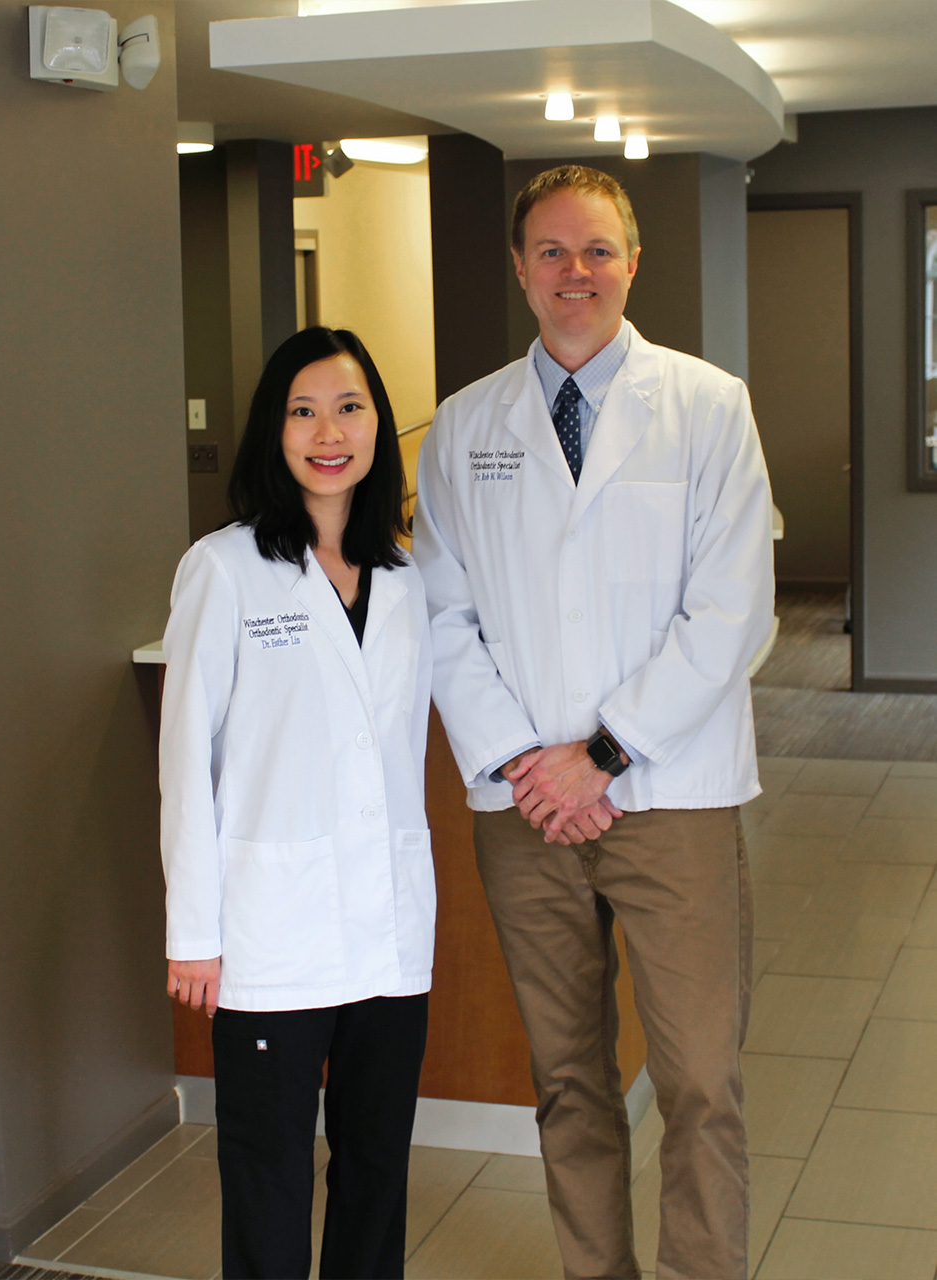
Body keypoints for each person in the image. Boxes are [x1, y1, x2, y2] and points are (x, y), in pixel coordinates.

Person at [413, 166, 774, 1280]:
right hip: (525, 810)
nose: (576, 272)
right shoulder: (464, 423)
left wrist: (602, 754)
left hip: (669, 796)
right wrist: (530, 762)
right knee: (566, 1076)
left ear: (632, 261)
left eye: (597, 249)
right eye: (553, 252)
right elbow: (441, 610)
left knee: (699, 1079)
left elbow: (731, 610)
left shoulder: (708, 407)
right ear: (520, 268)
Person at [160, 326, 435, 1280]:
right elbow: (183, 756)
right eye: (303, 409)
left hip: (390, 931)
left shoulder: (405, 577)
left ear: (377, 427)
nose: (329, 431)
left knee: (374, 1171)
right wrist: (191, 929)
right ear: (271, 432)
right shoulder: (225, 568)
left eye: (350, 407)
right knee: (268, 1175)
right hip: (271, 930)